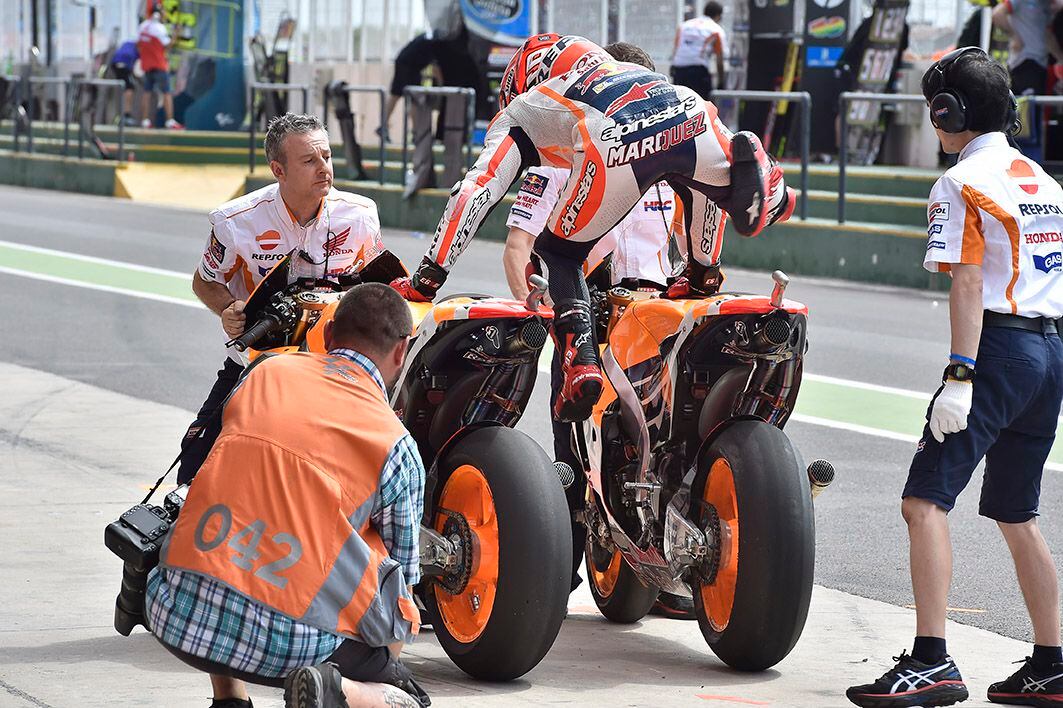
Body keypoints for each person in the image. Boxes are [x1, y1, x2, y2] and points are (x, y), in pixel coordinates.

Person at [391, 33, 794, 425]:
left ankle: (580, 361)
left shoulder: (528, 108)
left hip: (613, 148)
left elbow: (475, 191)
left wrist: (427, 278)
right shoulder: (648, 79)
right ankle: (767, 194)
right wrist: (698, 268)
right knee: (709, 190)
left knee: (560, 254)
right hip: (692, 115)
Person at [846, 47, 1063, 708]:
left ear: (947, 112)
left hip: (995, 350)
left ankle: (931, 661)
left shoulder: (960, 183)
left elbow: (968, 282)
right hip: (1049, 350)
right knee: (1015, 511)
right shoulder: (1043, 180)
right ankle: (1051, 664)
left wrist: (959, 375)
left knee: (922, 502)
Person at [147, 283, 429, 708]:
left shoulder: (263, 375)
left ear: (329, 335)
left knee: (241, 497)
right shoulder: (396, 446)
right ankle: (336, 690)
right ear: (401, 352)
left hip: (173, 611)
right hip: (291, 648)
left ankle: (229, 699)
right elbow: (401, 591)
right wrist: (389, 666)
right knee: (404, 694)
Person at [501, 40, 699, 621]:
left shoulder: (673, 165)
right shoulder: (558, 161)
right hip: (588, 314)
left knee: (667, 443)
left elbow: (693, 248)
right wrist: (542, 306)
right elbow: (518, 249)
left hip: (659, 321)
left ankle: (664, 560)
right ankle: (551, 573)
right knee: (576, 451)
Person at [181, 113, 387, 485]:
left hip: (334, 368)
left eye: (326, 156)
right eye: (310, 161)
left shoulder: (360, 215)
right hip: (258, 364)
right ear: (278, 169)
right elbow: (204, 282)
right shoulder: (234, 221)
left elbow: (377, 284)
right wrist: (229, 309)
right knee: (194, 460)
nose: (324, 168)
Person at [993, 0, 1051, 159]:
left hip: (1039, 63)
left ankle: (1031, 160)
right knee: (1025, 118)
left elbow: (1047, 34)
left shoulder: (1045, 6)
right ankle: (1021, 159)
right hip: (1025, 63)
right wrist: (1015, 36)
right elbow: (998, 13)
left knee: (1034, 116)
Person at [670, 2, 727, 100]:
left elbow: (676, 48)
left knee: (679, 104)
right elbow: (719, 60)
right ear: (718, 16)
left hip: (679, 70)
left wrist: (673, 67)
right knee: (702, 105)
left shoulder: (684, 26)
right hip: (698, 72)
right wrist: (721, 82)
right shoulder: (716, 30)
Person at [137, 8, 182, 129]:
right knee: (167, 93)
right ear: (157, 14)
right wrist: (176, 34)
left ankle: (145, 121)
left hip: (147, 65)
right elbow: (167, 47)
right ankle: (170, 121)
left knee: (147, 92)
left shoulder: (142, 26)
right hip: (159, 64)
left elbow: (138, 44)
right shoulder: (159, 28)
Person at [109, 39, 139, 127]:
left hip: (116, 64)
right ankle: (126, 115)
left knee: (128, 86)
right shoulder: (136, 49)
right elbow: (133, 68)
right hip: (122, 64)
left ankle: (125, 114)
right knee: (130, 88)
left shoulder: (128, 43)